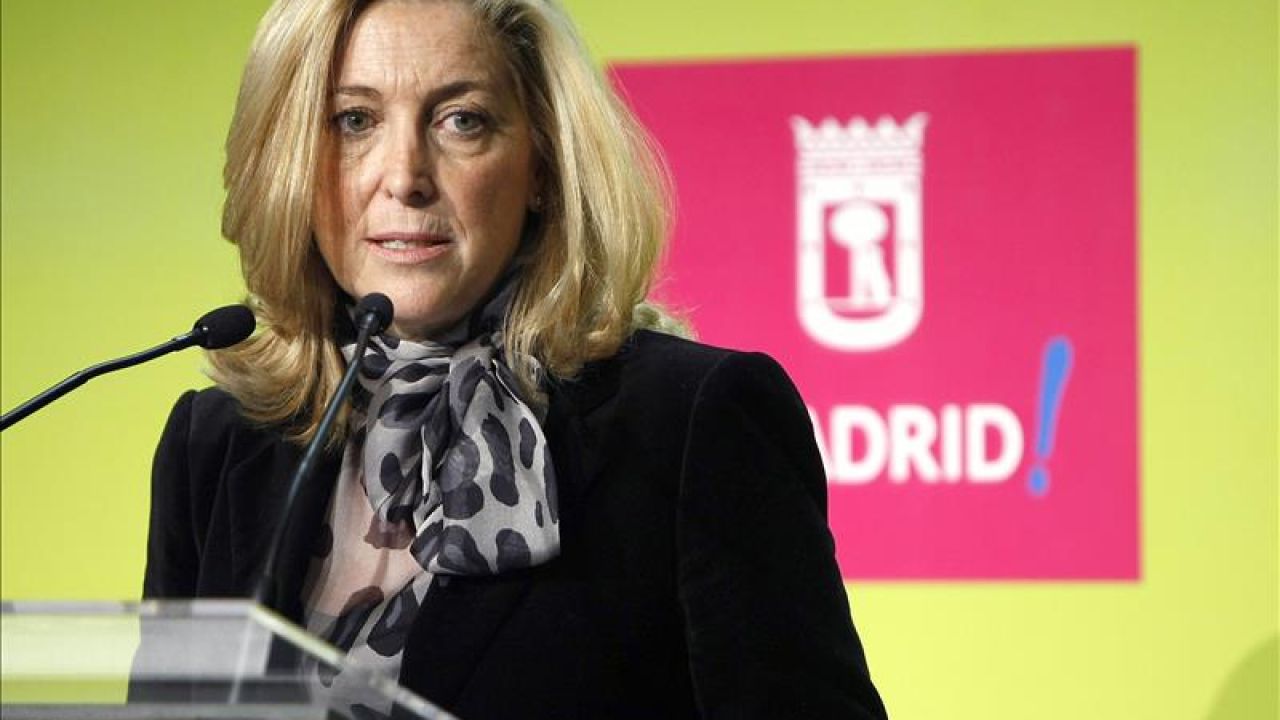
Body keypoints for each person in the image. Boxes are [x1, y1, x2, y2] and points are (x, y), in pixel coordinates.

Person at [144, 0, 888, 717]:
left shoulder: (691, 424)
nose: (404, 176)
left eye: (461, 120)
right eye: (354, 121)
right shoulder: (215, 446)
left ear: (541, 165)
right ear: (292, 163)